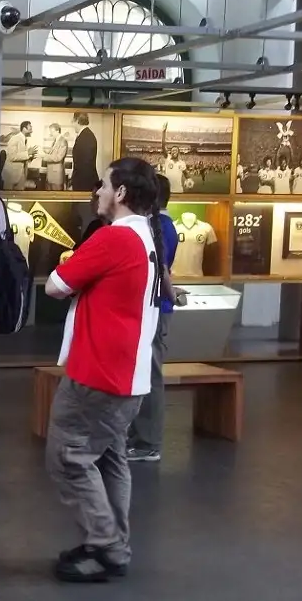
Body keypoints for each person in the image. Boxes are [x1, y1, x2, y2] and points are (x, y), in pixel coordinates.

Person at [43, 156, 163, 583]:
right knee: (110, 458)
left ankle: (105, 543)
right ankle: (113, 547)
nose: (98, 192)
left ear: (121, 193)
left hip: (99, 374)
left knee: (68, 457)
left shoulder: (113, 238)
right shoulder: (147, 237)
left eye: (104, 185)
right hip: (128, 376)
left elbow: (55, 285)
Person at [126, 174, 180, 463]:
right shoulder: (158, 225)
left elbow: (162, 270)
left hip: (156, 309)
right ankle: (140, 437)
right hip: (153, 307)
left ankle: (148, 442)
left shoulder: (160, 227)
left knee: (151, 374)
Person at [1, 121, 36, 190]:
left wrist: (30, 157)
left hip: (21, 175)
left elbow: (21, 156)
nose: (32, 128)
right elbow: (12, 157)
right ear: (24, 128)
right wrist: (27, 153)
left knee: (20, 194)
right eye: (30, 126)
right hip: (11, 175)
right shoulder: (15, 139)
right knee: (9, 195)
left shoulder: (25, 139)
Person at [69, 113, 100, 191]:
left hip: (84, 184)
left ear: (77, 121)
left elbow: (84, 165)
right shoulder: (85, 135)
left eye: (73, 121)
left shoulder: (86, 137)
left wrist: (75, 182)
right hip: (83, 182)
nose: (72, 124)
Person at [42, 122, 70, 191]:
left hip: (56, 175)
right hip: (51, 174)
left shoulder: (63, 141)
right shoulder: (55, 141)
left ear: (57, 131)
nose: (51, 134)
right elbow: (54, 154)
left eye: (52, 132)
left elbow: (58, 158)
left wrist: (44, 156)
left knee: (56, 194)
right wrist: (46, 152)